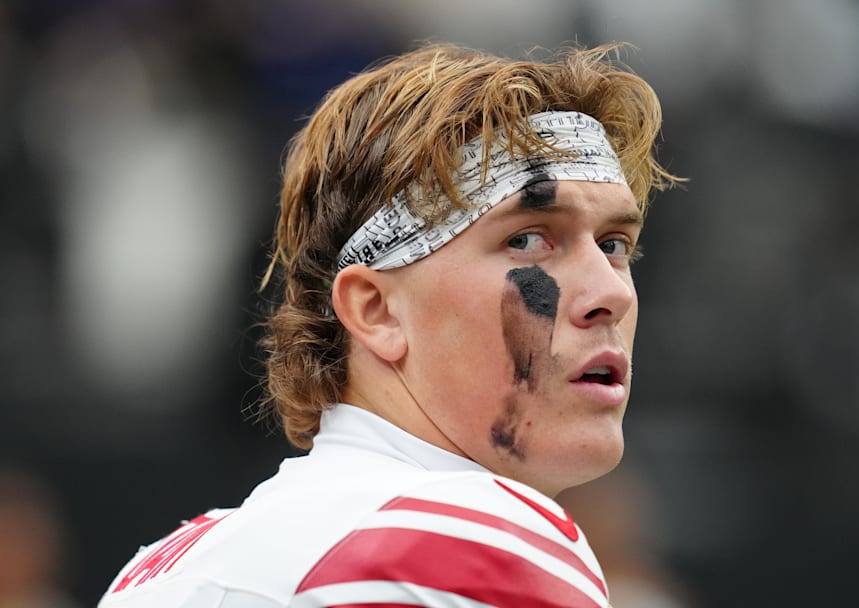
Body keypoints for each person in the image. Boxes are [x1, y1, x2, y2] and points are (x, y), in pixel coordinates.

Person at [98, 41, 678, 608]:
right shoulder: (471, 547)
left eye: (614, 245)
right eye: (526, 240)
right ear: (375, 310)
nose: (610, 292)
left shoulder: (159, 569)